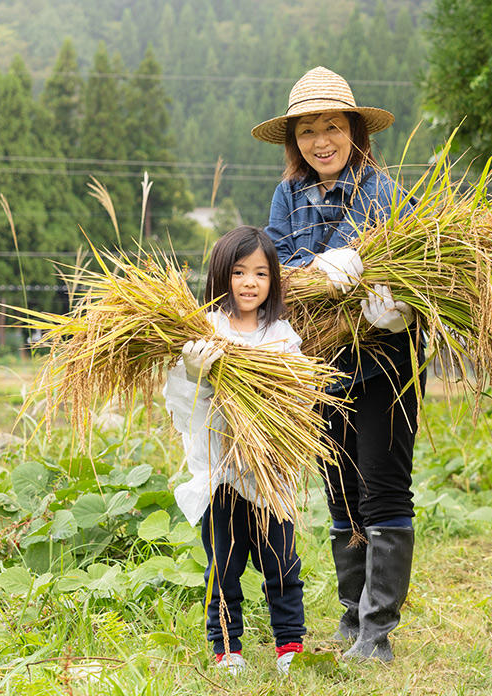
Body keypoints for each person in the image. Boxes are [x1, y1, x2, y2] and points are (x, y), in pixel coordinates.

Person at [253, 66, 424, 662]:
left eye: (332, 127)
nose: (320, 141)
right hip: (323, 366)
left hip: (385, 361)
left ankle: (378, 634)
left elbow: (411, 270)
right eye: (306, 131)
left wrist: (398, 312)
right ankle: (353, 619)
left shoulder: (383, 190)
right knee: (341, 493)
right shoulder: (287, 196)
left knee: (382, 490)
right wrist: (322, 269)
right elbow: (279, 265)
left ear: (355, 130)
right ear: (292, 141)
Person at [162, 225, 306, 676]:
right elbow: (180, 405)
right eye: (239, 272)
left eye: (260, 273)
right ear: (221, 275)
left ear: (273, 280)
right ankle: (227, 648)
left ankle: (290, 645)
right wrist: (193, 372)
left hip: (269, 473)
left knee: (282, 562)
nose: (249, 282)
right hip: (221, 472)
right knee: (223, 566)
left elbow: (299, 396)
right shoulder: (206, 331)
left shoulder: (282, 335)